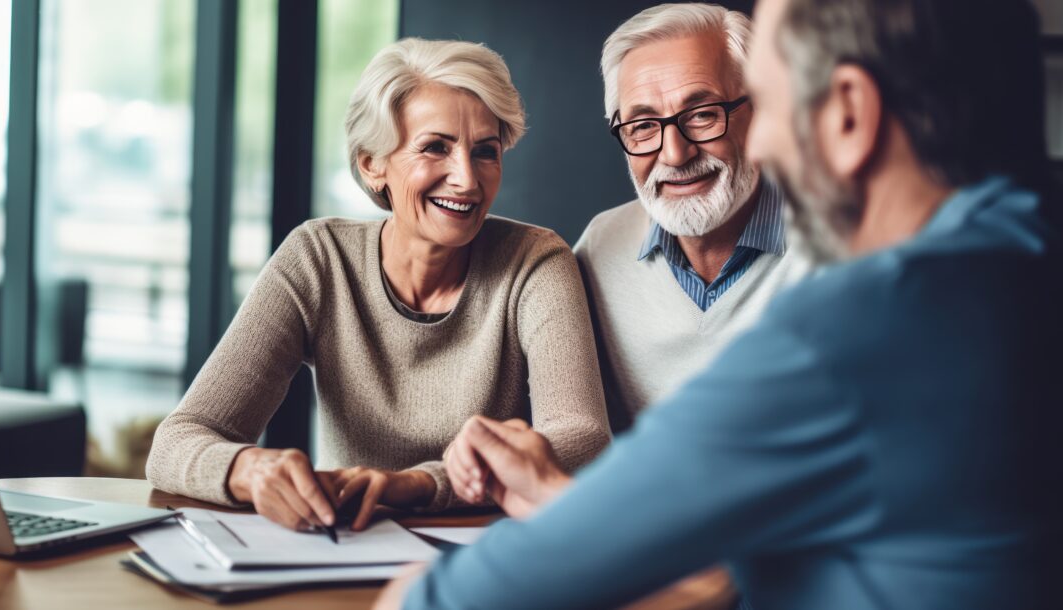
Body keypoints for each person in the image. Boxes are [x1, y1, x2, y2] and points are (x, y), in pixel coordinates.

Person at [378, 0, 1063, 608]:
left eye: (765, 103)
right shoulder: (1016, 259)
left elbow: (460, 599)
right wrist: (566, 504)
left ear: (850, 113)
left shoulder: (866, 325)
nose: (759, 142)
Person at [146, 38, 610, 533]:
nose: (467, 180)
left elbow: (582, 437)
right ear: (372, 163)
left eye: (485, 152)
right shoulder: (319, 257)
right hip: (348, 545)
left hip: (489, 559)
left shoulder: (536, 262)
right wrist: (249, 470)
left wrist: (423, 485)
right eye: (436, 147)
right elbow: (177, 441)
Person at [578, 3, 810, 433]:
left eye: (702, 115)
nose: (674, 154)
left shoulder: (839, 242)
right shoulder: (598, 249)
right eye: (643, 125)